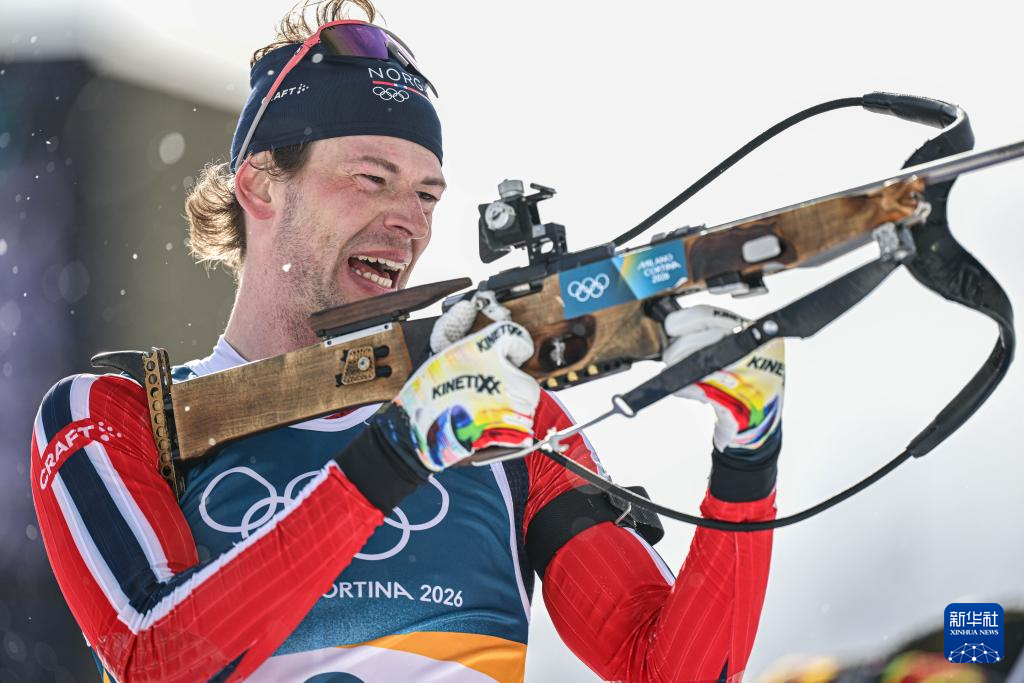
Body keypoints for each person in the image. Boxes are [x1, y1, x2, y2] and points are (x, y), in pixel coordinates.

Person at [29, 2, 786, 681]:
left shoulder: (510, 419)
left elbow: (666, 669)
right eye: (372, 178)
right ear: (259, 183)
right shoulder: (115, 415)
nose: (410, 222)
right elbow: (156, 659)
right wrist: (398, 455)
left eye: (427, 193)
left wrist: (747, 456)